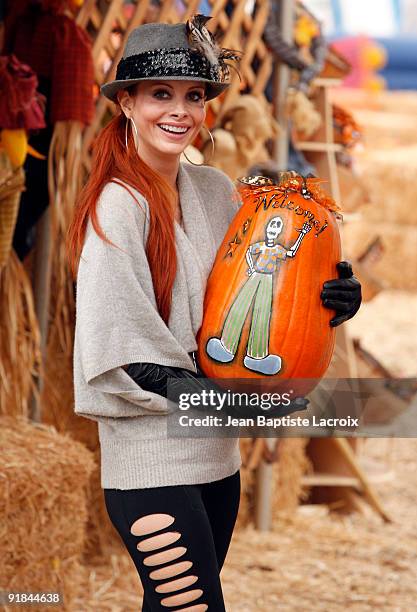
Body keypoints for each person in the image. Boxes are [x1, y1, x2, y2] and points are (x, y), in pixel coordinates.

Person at [67, 16, 361, 611]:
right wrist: (227, 398)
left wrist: (325, 304)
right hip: (152, 463)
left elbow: (257, 299)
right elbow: (119, 351)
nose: (180, 111)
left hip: (215, 456)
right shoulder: (117, 207)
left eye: (194, 96)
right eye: (160, 94)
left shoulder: (216, 191)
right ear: (126, 103)